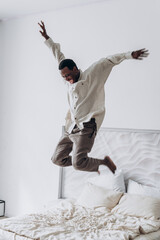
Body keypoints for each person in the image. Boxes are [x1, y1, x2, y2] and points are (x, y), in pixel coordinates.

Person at [38, 20, 149, 174]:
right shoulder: (67, 77)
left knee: (78, 164)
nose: (67, 78)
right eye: (64, 77)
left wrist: (130, 55)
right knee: (57, 159)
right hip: (72, 126)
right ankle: (87, 163)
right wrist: (47, 38)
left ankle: (103, 163)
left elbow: (108, 61)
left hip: (87, 126)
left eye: (69, 75)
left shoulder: (91, 74)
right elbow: (58, 55)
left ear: (75, 69)